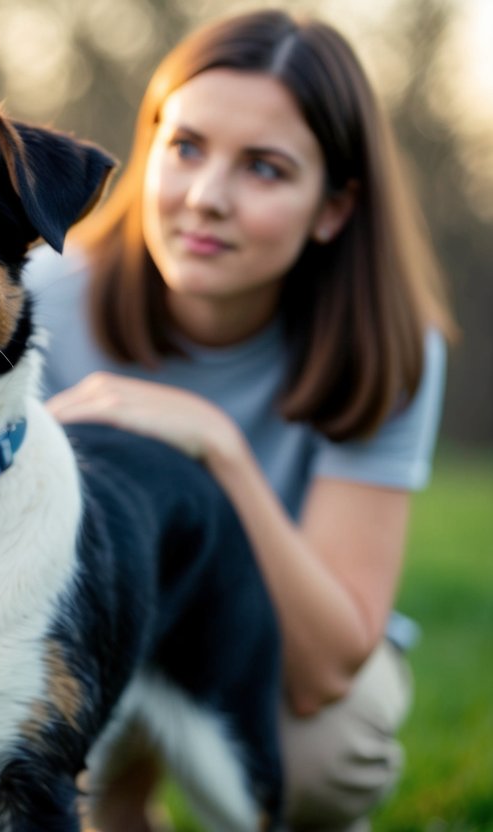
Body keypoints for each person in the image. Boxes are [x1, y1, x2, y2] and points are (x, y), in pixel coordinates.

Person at [25, 9, 455, 832]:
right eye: (184, 148)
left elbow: (328, 664)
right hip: (97, 622)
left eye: (263, 168)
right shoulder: (36, 307)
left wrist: (214, 445)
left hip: (271, 641)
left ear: (332, 208)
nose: (205, 198)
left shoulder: (390, 351)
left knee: (327, 756)